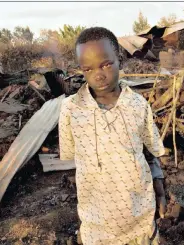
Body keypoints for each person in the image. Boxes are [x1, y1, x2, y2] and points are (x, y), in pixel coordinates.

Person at [59, 27, 166, 245]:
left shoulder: (138, 105)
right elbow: (71, 155)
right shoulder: (70, 110)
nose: (98, 74)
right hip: (97, 226)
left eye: (106, 64)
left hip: (140, 219)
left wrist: (160, 190)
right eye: (87, 69)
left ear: (119, 60)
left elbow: (150, 151)